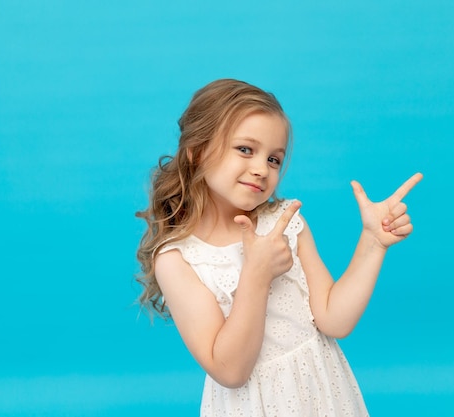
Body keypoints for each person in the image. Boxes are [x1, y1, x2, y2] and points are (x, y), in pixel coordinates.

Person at [136, 78, 422, 416]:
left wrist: (373, 243)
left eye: (274, 159)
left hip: (321, 392)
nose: (261, 169)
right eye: (245, 149)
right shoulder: (178, 259)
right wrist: (256, 274)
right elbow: (230, 370)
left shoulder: (283, 222)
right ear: (197, 152)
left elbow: (334, 320)